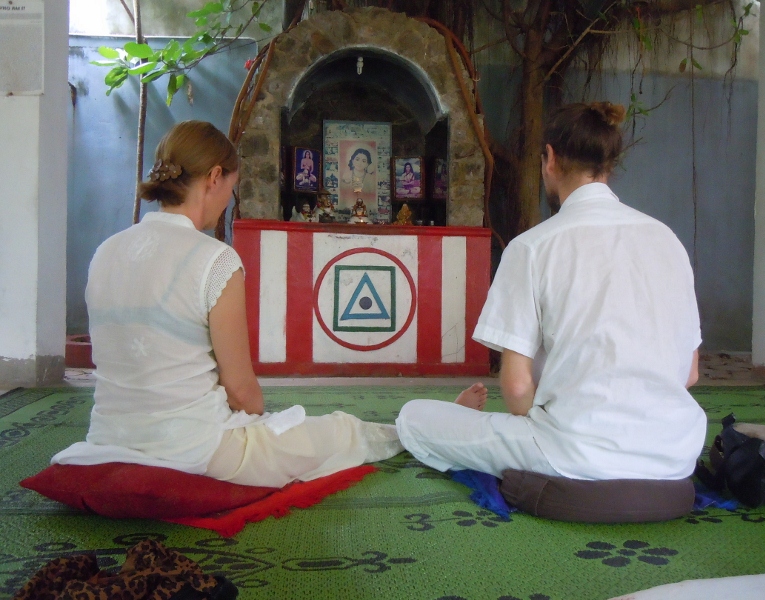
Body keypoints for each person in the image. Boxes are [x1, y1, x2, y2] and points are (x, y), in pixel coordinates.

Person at [51, 120, 404, 488]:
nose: (228, 203)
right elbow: (240, 390)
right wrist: (260, 422)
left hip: (108, 440)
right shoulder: (215, 259)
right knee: (340, 431)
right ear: (214, 177)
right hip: (197, 450)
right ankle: (405, 433)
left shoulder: (105, 252)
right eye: (231, 189)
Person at [396, 101, 706, 483]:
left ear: (550, 159)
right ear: (608, 165)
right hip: (675, 453)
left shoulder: (532, 246)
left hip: (571, 453)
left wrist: (554, 421)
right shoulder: (667, 240)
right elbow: (690, 373)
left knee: (414, 416)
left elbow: (517, 389)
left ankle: (467, 422)